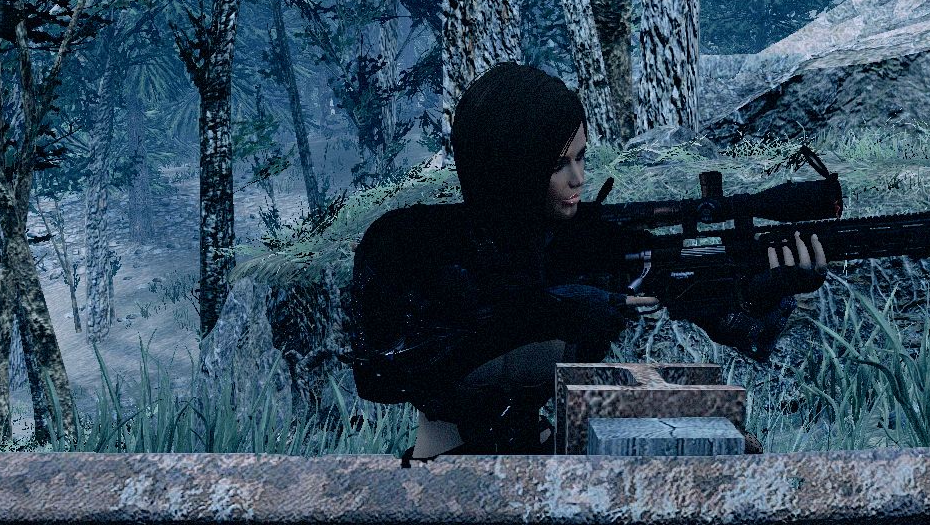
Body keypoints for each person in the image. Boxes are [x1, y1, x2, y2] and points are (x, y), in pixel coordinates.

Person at [349, 62, 827, 460]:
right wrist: (549, 310)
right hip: (442, 465)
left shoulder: (588, 241)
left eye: (581, 157)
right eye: (558, 164)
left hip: (545, 453)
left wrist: (764, 290)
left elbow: (715, 312)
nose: (578, 178)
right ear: (511, 164)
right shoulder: (408, 242)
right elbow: (382, 374)